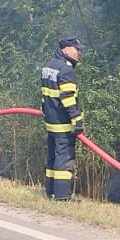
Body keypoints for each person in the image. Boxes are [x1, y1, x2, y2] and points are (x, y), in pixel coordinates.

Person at [41, 36, 84, 200]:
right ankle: (62, 196)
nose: (79, 53)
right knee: (63, 160)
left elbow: (45, 96)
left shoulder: (49, 66)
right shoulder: (66, 70)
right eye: (76, 49)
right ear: (66, 49)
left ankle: (51, 192)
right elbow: (67, 98)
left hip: (50, 122)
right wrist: (77, 119)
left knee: (52, 158)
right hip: (62, 123)